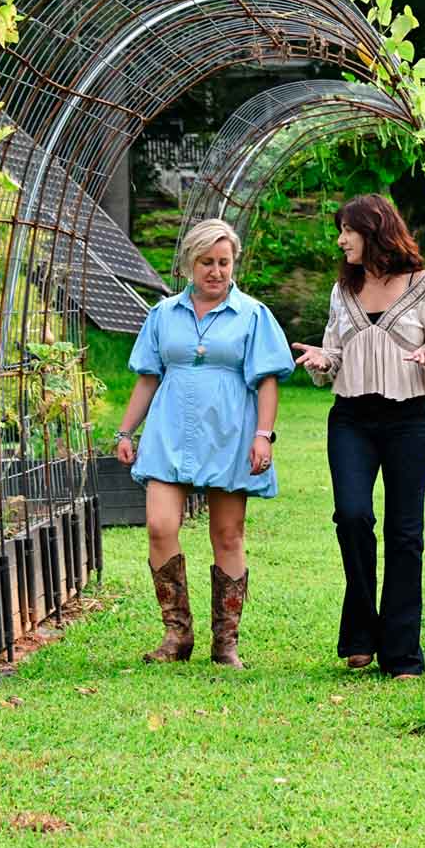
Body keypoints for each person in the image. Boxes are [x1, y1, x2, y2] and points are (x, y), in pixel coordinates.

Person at [291, 194, 425, 678]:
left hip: (410, 419)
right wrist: (323, 361)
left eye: (348, 230)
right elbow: (334, 353)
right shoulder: (342, 290)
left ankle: (401, 652)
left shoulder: (422, 285)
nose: (341, 240)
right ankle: (360, 633)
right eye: (340, 230)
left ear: (375, 230)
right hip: (351, 419)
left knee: (405, 534)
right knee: (352, 517)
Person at [115, 218, 294, 669]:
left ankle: (225, 642)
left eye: (223, 262)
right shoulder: (162, 315)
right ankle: (177, 634)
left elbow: (267, 382)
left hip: (230, 433)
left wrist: (263, 435)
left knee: (227, 534)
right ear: (188, 265)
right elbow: (148, 378)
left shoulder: (253, 315)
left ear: (234, 264)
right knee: (160, 525)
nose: (216, 271)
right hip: (169, 432)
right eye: (206, 262)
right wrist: (126, 431)